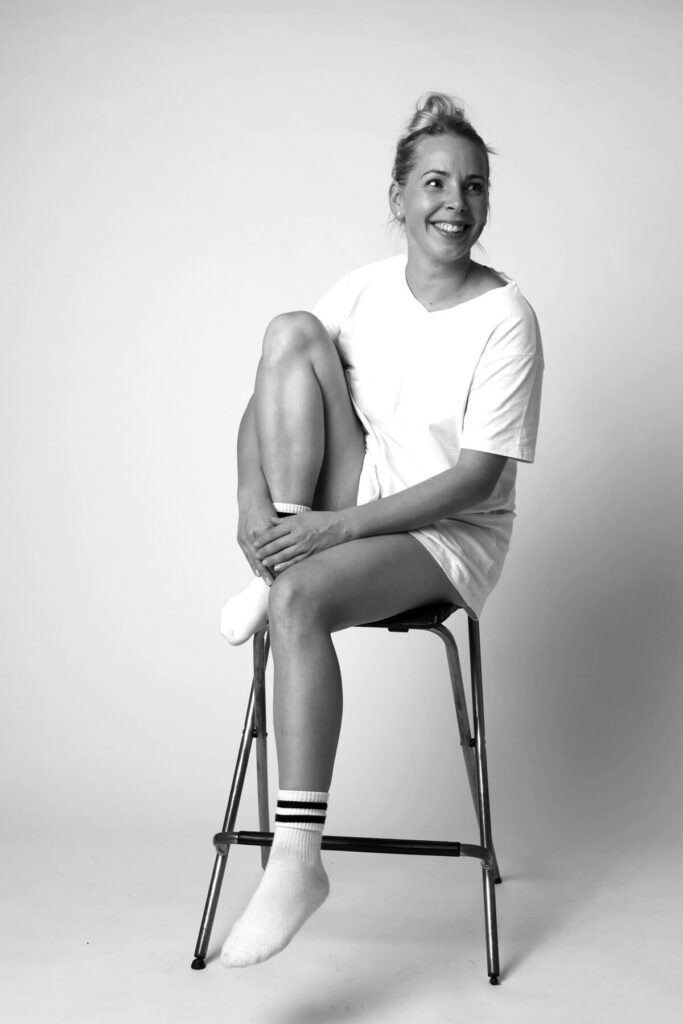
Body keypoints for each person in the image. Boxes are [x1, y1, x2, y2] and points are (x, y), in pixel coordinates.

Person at [219, 92, 543, 968]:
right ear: (398, 196)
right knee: (289, 331)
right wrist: (252, 507)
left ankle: (296, 861)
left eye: (472, 186)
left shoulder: (505, 317)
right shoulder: (362, 289)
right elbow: (266, 396)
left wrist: (334, 534)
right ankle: (274, 563)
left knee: (302, 598)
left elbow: (476, 479)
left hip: (446, 534)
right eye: (434, 182)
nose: (454, 202)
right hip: (353, 495)